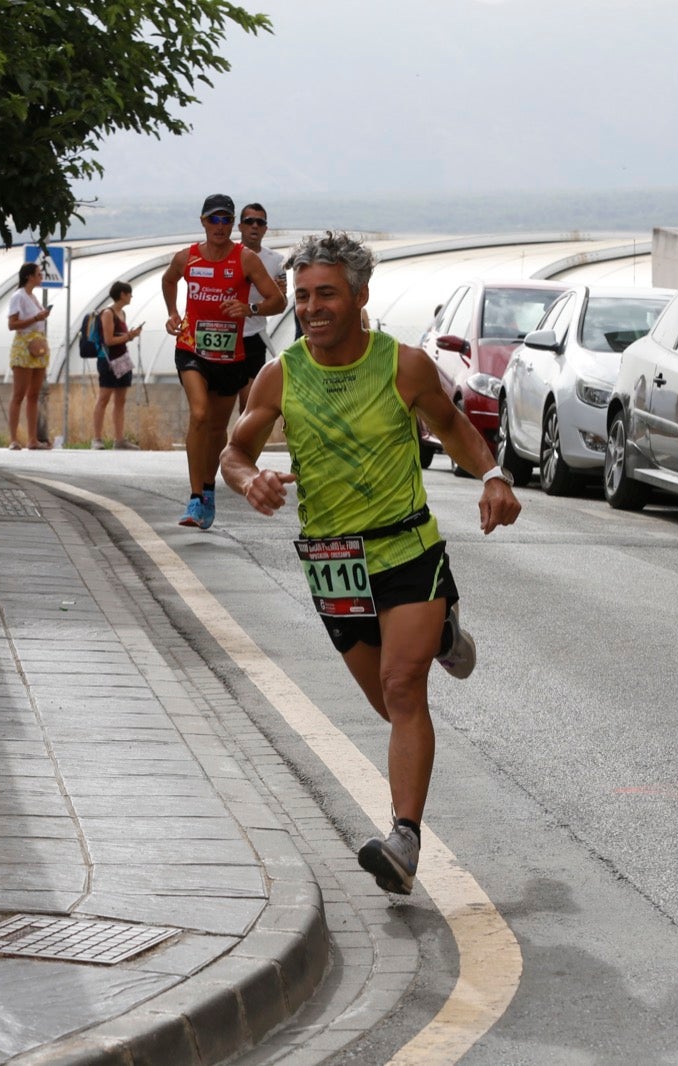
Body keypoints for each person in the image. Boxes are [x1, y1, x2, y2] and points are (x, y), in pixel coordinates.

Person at [220, 231, 521, 896]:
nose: (311, 307)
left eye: (326, 293)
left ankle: (404, 841)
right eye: (301, 296)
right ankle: (445, 637)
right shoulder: (282, 375)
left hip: (407, 546)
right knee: (390, 705)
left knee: (402, 689)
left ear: (360, 296)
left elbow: (454, 425)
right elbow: (233, 452)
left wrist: (494, 475)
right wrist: (249, 482)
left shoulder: (403, 365)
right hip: (333, 563)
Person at [161, 193, 286, 528]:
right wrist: (173, 314)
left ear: (233, 224)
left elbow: (278, 300)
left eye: (225, 220)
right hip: (190, 347)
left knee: (217, 426)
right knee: (199, 413)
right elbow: (168, 279)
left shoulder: (244, 258)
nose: (219, 226)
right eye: (213, 219)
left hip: (230, 355)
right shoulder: (186, 257)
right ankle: (194, 497)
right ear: (202, 221)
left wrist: (250, 309)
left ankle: (208, 488)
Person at [237, 202, 288, 412]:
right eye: (249, 221)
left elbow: (281, 302)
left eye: (260, 222)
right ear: (240, 226)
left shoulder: (276, 261)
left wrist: (251, 309)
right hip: (226, 334)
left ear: (266, 228)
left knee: (248, 401)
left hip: (254, 335)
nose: (255, 226)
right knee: (221, 400)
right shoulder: (227, 254)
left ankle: (241, 443)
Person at [7, 262, 53, 450]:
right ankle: (13, 439)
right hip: (25, 344)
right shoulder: (18, 296)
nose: (41, 277)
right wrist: (36, 318)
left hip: (38, 345)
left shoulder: (33, 297)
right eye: (38, 274)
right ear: (29, 276)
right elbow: (12, 324)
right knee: (19, 394)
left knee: (34, 394)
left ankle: (32, 439)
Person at [92, 281, 143, 449]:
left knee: (121, 400)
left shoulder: (123, 313)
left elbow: (119, 336)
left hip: (122, 359)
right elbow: (108, 340)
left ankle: (119, 439)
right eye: (129, 294)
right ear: (122, 294)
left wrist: (130, 335)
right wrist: (130, 336)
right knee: (104, 398)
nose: (131, 297)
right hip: (108, 360)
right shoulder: (108, 313)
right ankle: (97, 438)